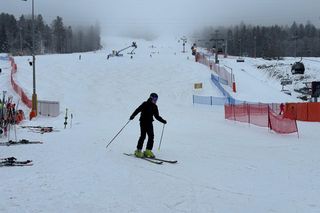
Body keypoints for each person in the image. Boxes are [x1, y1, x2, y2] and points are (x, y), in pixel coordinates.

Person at [129, 93, 167, 158]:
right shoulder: (145, 104)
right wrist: (133, 115)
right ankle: (138, 150)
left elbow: (156, 116)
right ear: (151, 98)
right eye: (154, 99)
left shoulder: (155, 106)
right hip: (143, 122)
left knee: (151, 136)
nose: (155, 100)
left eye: (156, 99)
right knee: (143, 136)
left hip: (149, 122)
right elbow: (138, 110)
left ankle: (148, 150)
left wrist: (163, 121)